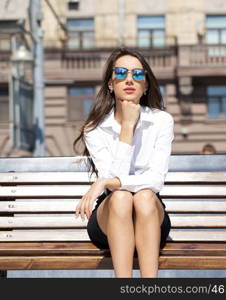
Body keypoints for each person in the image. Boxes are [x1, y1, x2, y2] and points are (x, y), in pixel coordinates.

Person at [73, 47, 174, 278]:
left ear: (146, 85)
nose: (129, 79)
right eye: (121, 72)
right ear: (111, 83)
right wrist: (127, 128)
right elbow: (113, 187)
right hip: (111, 216)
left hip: (149, 213)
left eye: (138, 74)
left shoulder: (161, 121)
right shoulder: (95, 129)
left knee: (145, 196)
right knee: (120, 197)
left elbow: (156, 180)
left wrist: (106, 181)